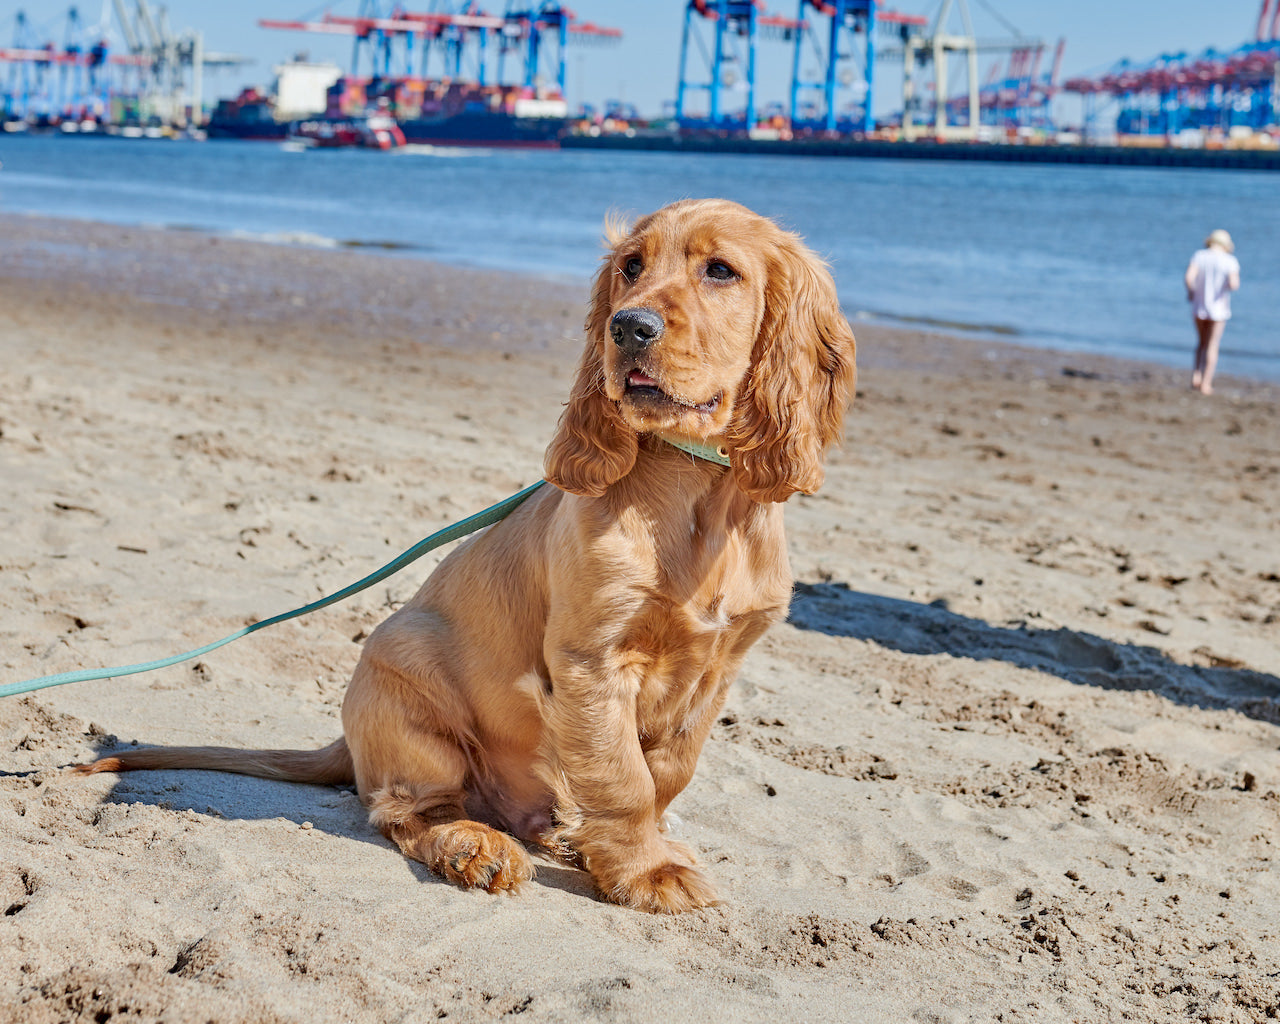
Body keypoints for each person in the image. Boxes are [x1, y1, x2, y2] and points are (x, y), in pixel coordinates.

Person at [1184, 229, 1240, 395]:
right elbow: (1234, 284)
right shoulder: (1229, 260)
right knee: (1212, 345)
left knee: (1201, 343)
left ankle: (1196, 376)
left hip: (1199, 306)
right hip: (1218, 309)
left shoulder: (1199, 256)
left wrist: (1192, 292)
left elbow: (1189, 278)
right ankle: (1206, 384)